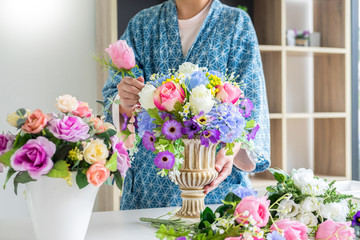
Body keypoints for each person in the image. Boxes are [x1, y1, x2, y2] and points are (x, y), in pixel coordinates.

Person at [102, 0, 270, 210]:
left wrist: (229, 152)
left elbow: (250, 101)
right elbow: (113, 95)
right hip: (150, 187)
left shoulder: (235, 23)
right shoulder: (142, 24)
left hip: (215, 183)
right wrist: (124, 102)